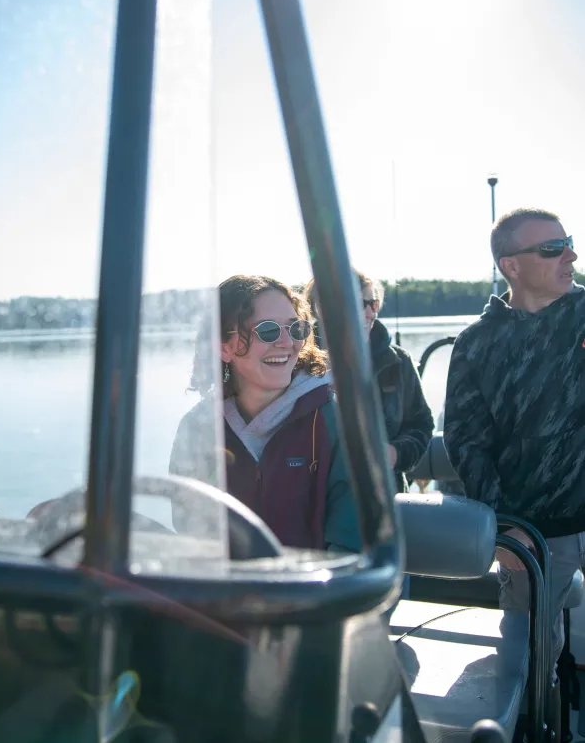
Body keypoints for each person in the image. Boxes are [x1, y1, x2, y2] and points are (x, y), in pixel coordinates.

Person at [443, 207, 584, 690]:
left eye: (567, 242)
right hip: (535, 536)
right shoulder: (476, 343)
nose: (570, 254)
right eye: (552, 248)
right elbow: (467, 441)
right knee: (528, 665)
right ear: (512, 266)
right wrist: (503, 529)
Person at [169, 274, 361, 554]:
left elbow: (351, 540)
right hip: (230, 595)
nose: (286, 343)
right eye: (268, 331)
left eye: (296, 329)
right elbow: (193, 534)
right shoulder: (198, 428)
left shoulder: (336, 421)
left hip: (318, 593)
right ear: (223, 346)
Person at [305, 270, 434, 493]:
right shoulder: (298, 362)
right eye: (359, 303)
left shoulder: (398, 361)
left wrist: (394, 454)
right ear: (324, 308)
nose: (368, 313)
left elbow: (421, 424)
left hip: (386, 499)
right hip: (314, 502)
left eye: (372, 304)